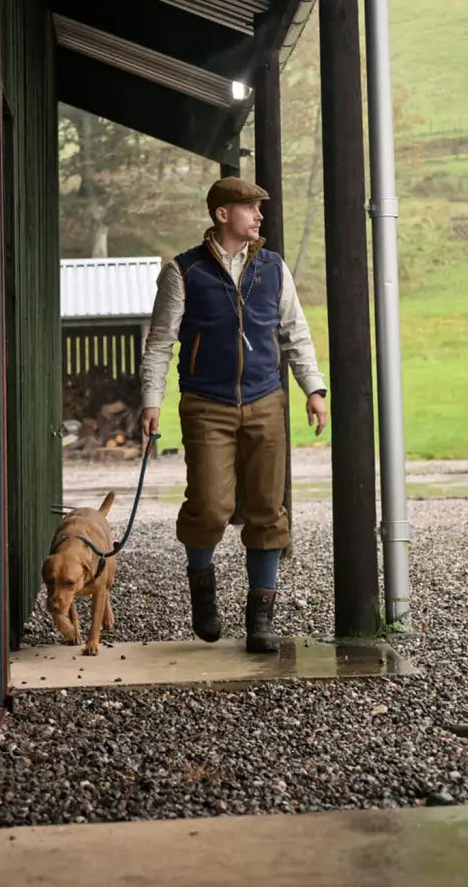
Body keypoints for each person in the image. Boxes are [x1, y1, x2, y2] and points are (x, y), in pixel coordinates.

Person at [139, 177, 328, 653]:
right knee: (212, 506)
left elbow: (296, 334)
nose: (259, 216)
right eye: (249, 207)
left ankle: (260, 620)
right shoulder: (183, 271)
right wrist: (150, 401)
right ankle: (202, 590)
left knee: (268, 508)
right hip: (206, 404)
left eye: (259, 208)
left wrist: (314, 389)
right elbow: (160, 342)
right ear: (222, 214)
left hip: (266, 400)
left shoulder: (273, 268)